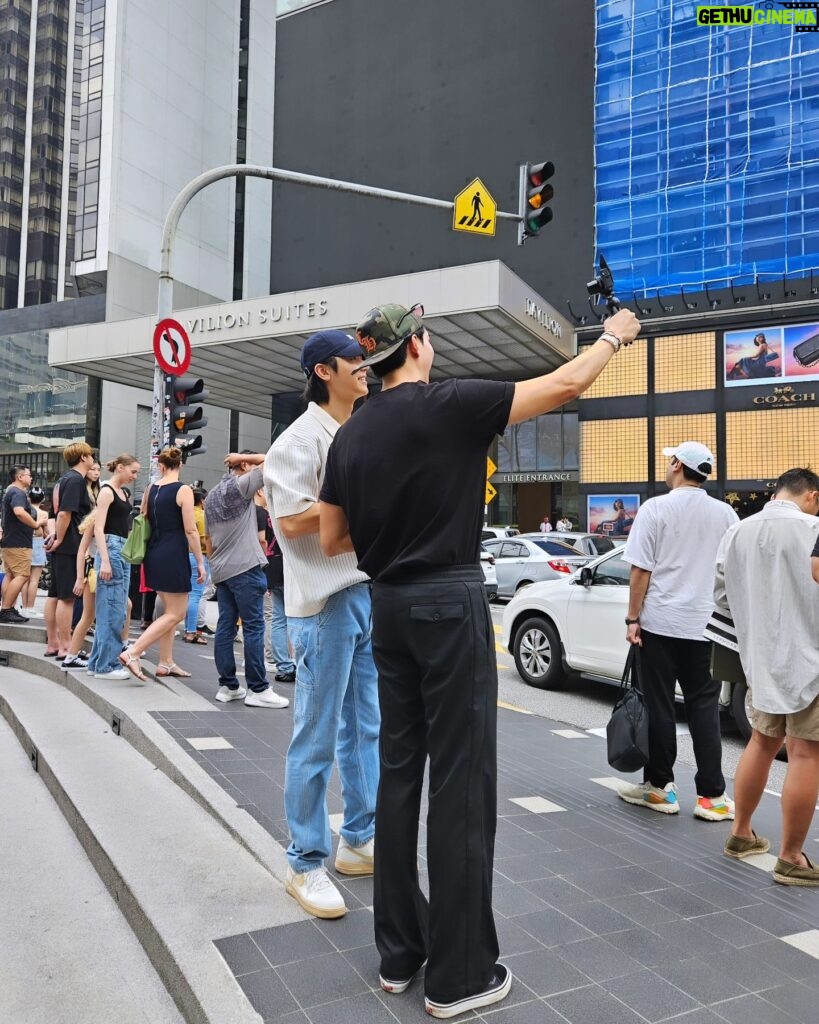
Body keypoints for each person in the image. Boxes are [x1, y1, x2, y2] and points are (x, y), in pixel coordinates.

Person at [319, 301, 640, 1019]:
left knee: (398, 775)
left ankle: (400, 954)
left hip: (388, 605)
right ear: (418, 347)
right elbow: (563, 386)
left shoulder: (350, 435)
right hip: (447, 598)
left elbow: (334, 538)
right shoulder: (451, 404)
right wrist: (613, 337)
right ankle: (459, 976)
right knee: (463, 784)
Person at [264, 328, 381, 921]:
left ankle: (358, 840)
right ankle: (304, 861)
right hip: (322, 604)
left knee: (366, 729)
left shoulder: (353, 432)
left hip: (362, 595)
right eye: (353, 360)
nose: (364, 366)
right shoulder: (298, 441)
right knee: (315, 737)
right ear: (322, 372)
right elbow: (290, 521)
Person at [620, 441, 739, 819]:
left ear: (676, 465)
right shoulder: (726, 514)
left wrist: (632, 619)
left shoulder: (656, 508)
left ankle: (660, 789)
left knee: (659, 705)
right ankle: (712, 798)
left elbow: (641, 570)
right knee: (704, 708)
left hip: (660, 624)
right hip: (706, 626)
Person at [717, 469, 819, 885]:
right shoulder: (814, 528)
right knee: (806, 754)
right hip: (810, 658)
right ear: (811, 495)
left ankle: (741, 833)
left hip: (759, 658)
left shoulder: (738, 532)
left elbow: (720, 594)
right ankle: (791, 856)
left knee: (761, 743)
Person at [203, 454, 288, 709]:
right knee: (253, 626)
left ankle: (228, 686)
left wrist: (214, 566)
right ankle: (258, 688)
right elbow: (275, 456)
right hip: (245, 566)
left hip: (222, 568)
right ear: (243, 468)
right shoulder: (241, 486)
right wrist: (245, 456)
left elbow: (208, 540)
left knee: (226, 626)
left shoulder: (212, 496)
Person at [118, 447, 204, 682]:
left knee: (168, 612)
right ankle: (133, 652)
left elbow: (145, 518)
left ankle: (166, 662)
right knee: (177, 613)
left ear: (161, 465)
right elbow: (190, 529)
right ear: (181, 465)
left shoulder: (150, 489)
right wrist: (200, 561)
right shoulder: (183, 490)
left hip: (153, 553)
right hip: (174, 553)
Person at [86, 455, 140, 680]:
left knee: (113, 608)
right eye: (133, 471)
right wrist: (106, 560)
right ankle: (105, 666)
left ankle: (98, 662)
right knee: (112, 609)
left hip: (119, 548)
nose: (134, 476)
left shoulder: (118, 491)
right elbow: (98, 528)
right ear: (120, 467)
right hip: (111, 548)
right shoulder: (107, 491)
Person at [44, 443, 95, 658]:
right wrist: (60, 538)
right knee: (67, 597)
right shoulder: (75, 480)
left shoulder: (64, 479)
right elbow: (65, 514)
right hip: (71, 545)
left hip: (64, 544)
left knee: (55, 594)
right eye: (91, 455)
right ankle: (65, 646)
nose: (93, 459)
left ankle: (54, 643)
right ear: (83, 457)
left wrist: (56, 537)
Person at [0, 465, 37, 622]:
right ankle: (6, 609)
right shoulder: (18, 492)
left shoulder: (10, 491)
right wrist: (35, 525)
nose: (31, 478)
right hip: (18, 542)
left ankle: (7, 608)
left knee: (11, 575)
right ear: (20, 477)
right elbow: (19, 512)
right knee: (22, 575)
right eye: (29, 475)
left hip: (10, 540)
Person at [183, 488, 208, 645]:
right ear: (202, 500)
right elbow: (204, 540)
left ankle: (188, 629)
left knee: (187, 594)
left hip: (183, 555)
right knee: (196, 595)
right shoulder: (201, 515)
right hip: (198, 556)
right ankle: (192, 631)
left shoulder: (185, 513)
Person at [21, 485, 48, 617]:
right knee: (34, 580)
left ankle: (24, 607)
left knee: (24, 578)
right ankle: (30, 608)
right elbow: (47, 532)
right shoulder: (44, 514)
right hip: (37, 543)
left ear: (29, 498)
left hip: (25, 542)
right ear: (42, 499)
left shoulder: (25, 511)